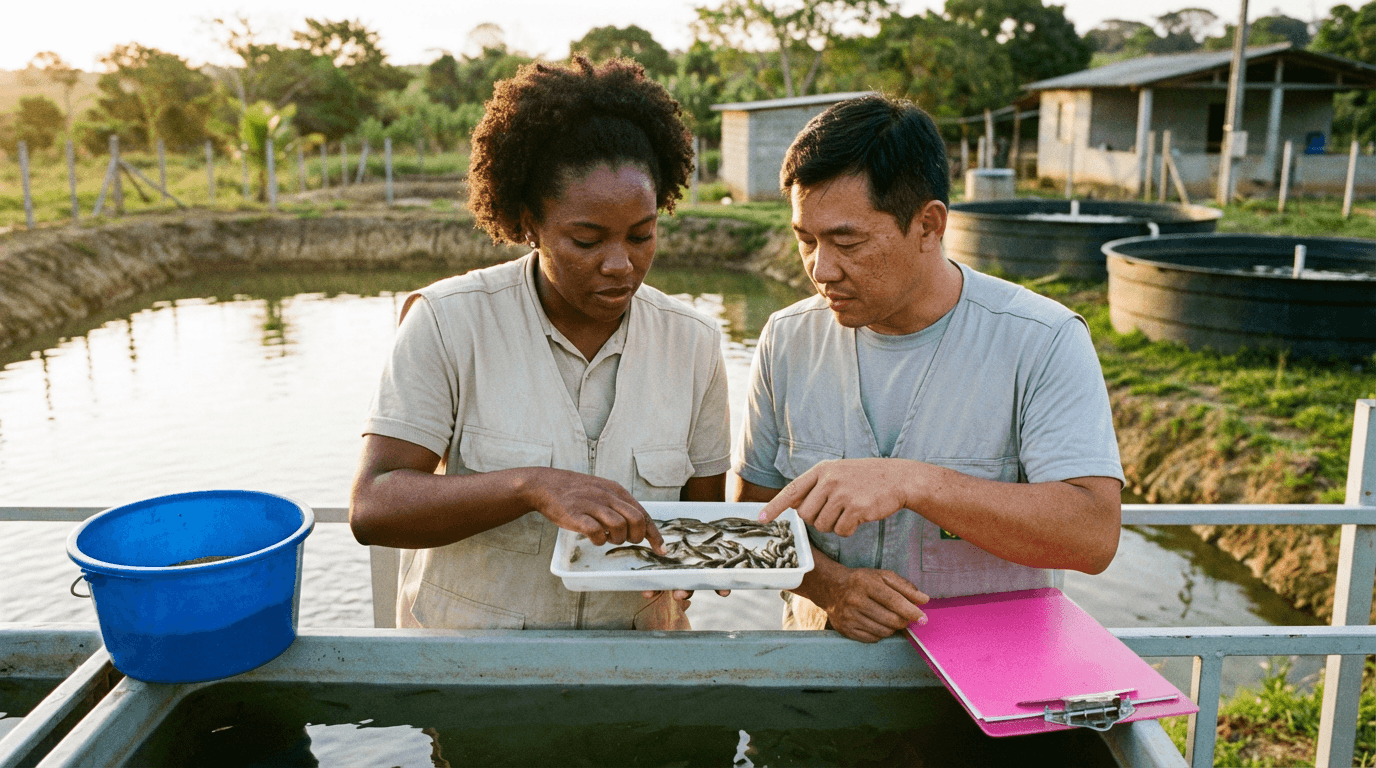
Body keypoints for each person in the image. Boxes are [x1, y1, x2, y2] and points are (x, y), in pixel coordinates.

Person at [349, 57, 731, 630]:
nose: (620, 264)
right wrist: (530, 486)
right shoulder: (448, 322)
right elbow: (374, 506)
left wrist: (692, 570)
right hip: (476, 673)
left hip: (638, 668)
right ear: (529, 222)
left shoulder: (693, 343)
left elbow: (698, 520)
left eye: (642, 234)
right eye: (586, 239)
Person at [735, 94, 1125, 643]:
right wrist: (831, 587)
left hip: (987, 692)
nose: (821, 270)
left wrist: (915, 481)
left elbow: (1092, 536)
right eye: (806, 240)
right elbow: (755, 516)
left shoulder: (1043, 341)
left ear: (928, 225)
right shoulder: (786, 339)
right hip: (818, 686)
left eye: (848, 241)